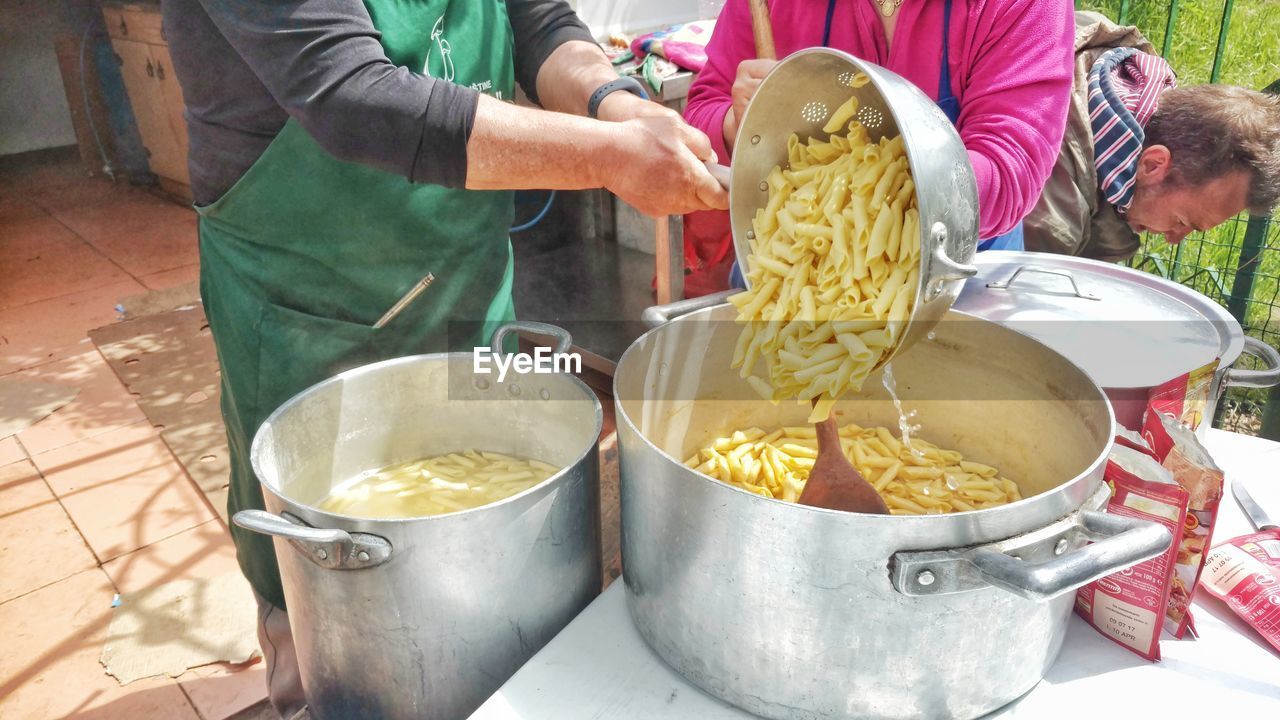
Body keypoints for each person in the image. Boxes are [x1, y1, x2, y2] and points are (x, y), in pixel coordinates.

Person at [163, 1, 727, 717]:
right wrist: (607, 157)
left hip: (461, 276)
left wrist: (616, 108)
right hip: (312, 301)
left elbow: (537, 20)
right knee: (335, 600)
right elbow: (353, 96)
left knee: (493, 582)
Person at [680, 0, 1076, 292]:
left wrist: (861, 194)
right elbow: (703, 115)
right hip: (790, 275)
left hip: (959, 283)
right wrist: (741, 123)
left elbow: (1009, 167)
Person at [1023, 11, 1280, 261]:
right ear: (1153, 164)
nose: (1174, 239)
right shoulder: (1049, 227)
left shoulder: (1107, 64)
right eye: (1182, 221)